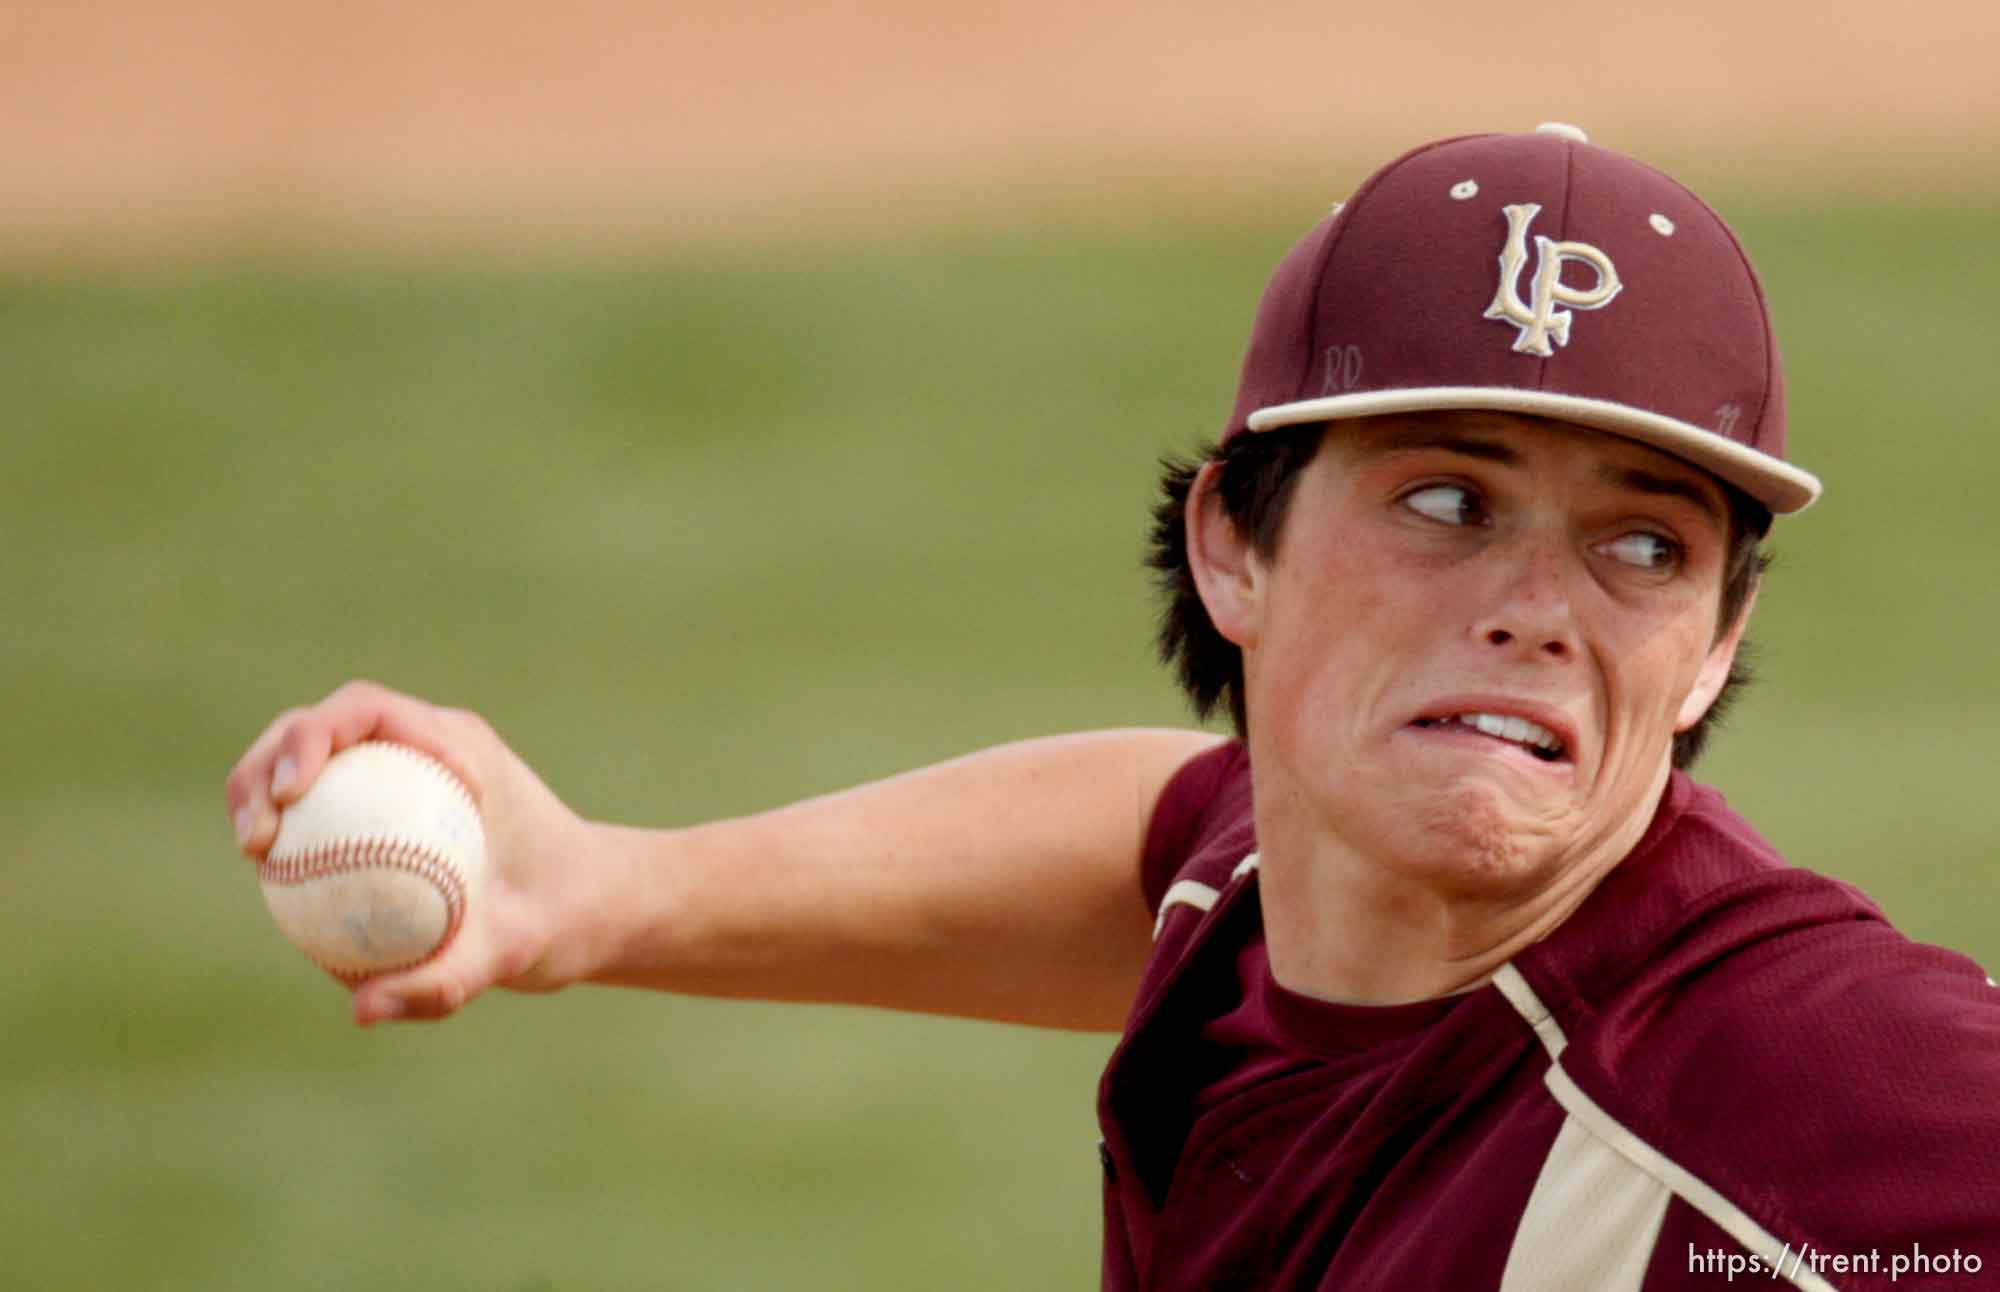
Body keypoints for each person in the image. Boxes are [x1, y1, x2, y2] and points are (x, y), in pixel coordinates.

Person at [226, 124, 1999, 1289]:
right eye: (1448, 501)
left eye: (1641, 544)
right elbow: (1161, 844)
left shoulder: (1792, 1083)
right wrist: (598, 890)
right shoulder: (1270, 898)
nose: (1539, 609)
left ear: (1709, 646)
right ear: (1234, 546)